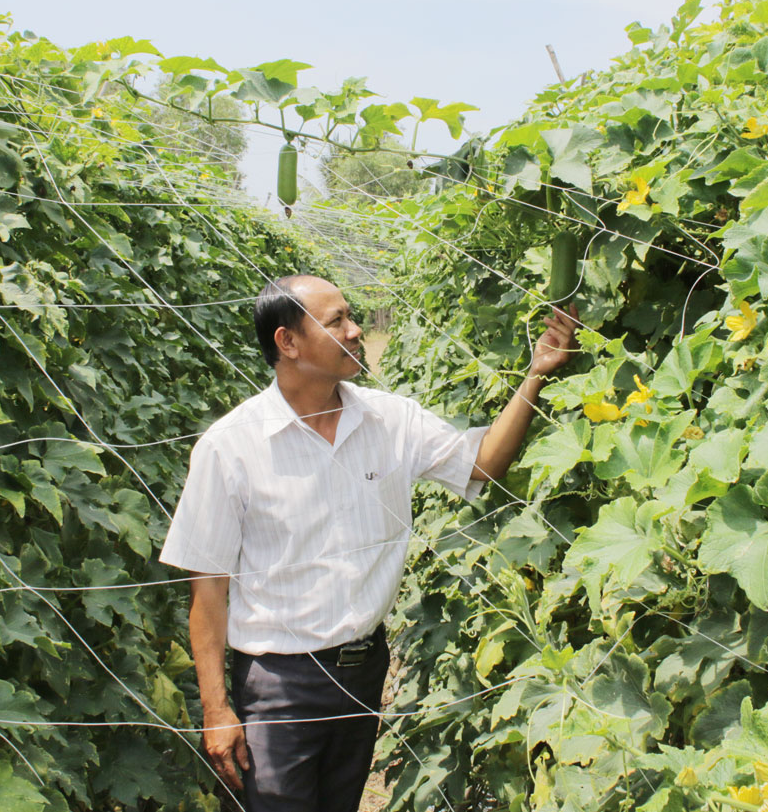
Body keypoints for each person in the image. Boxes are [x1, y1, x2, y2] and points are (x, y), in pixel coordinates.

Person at [159, 274, 578, 811]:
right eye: (336, 322)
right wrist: (217, 710)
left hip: (363, 671)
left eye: (351, 317)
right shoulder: (231, 447)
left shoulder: (390, 420)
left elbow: (483, 464)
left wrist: (534, 375)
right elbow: (208, 585)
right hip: (279, 684)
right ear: (287, 342)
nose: (356, 331)